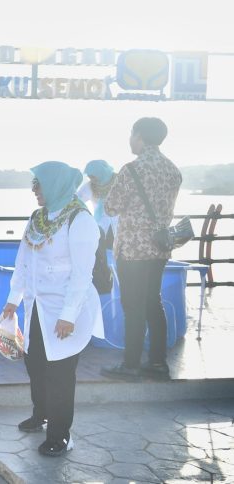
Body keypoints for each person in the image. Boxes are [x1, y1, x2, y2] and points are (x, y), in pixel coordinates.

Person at [2, 161, 104, 457]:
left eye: (39, 183)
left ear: (56, 184)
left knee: (60, 373)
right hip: (37, 307)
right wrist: (14, 298)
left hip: (65, 310)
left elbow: (83, 274)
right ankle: (41, 414)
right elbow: (23, 259)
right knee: (35, 364)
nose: (34, 190)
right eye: (34, 183)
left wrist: (68, 315)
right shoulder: (38, 218)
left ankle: (60, 435)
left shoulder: (79, 220)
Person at [101, 117, 182, 382]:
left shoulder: (132, 169)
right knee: (153, 303)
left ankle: (130, 364)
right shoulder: (172, 170)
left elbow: (111, 207)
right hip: (159, 248)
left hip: (133, 249)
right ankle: (158, 362)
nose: (130, 139)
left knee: (132, 305)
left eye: (131, 133)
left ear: (140, 136)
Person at [76, 160, 117, 248]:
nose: (92, 180)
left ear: (101, 172)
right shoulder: (89, 186)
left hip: (121, 223)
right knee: (102, 250)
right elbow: (76, 200)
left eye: (93, 177)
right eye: (90, 177)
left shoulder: (119, 180)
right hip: (100, 225)